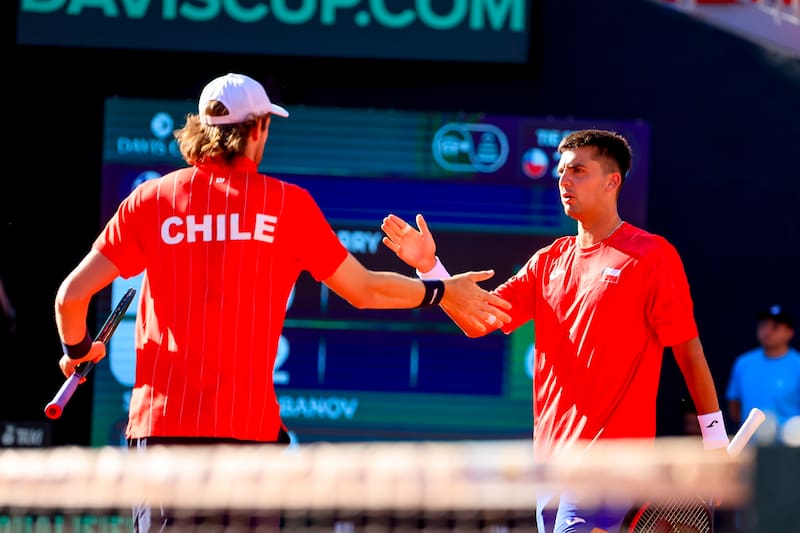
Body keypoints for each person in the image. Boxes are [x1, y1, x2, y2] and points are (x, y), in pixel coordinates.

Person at [54, 72, 512, 532]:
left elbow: (70, 298)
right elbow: (365, 290)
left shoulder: (151, 200)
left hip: (162, 435)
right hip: (249, 440)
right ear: (257, 129)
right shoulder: (287, 205)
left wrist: (78, 351)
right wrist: (440, 289)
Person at [380, 129, 728, 533]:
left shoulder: (653, 256)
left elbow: (688, 351)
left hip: (611, 463)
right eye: (562, 172)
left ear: (612, 181)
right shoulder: (547, 261)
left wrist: (715, 439)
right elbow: (479, 321)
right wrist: (429, 267)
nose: (564, 181)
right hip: (548, 466)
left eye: (578, 171)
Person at [726, 305, 800, 445]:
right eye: (763, 325)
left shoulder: (797, 365)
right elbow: (734, 406)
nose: (767, 331)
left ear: (790, 333)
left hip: (791, 449)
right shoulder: (743, 363)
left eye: (775, 327)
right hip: (749, 448)